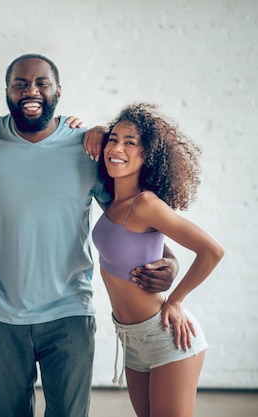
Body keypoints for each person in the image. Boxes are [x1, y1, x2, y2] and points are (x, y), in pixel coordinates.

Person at [0, 53, 179, 417]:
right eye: (20, 83)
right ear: (7, 90)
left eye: (42, 82)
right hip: (0, 314)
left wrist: (170, 259)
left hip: (69, 310)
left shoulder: (87, 148)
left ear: (58, 91)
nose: (31, 90)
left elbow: (128, 213)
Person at [91, 103, 224, 417]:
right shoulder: (111, 201)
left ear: (146, 155)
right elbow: (148, 246)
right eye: (113, 138)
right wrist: (95, 132)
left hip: (166, 336)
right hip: (131, 338)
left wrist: (176, 300)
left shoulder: (145, 204)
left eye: (130, 142)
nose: (117, 147)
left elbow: (212, 251)